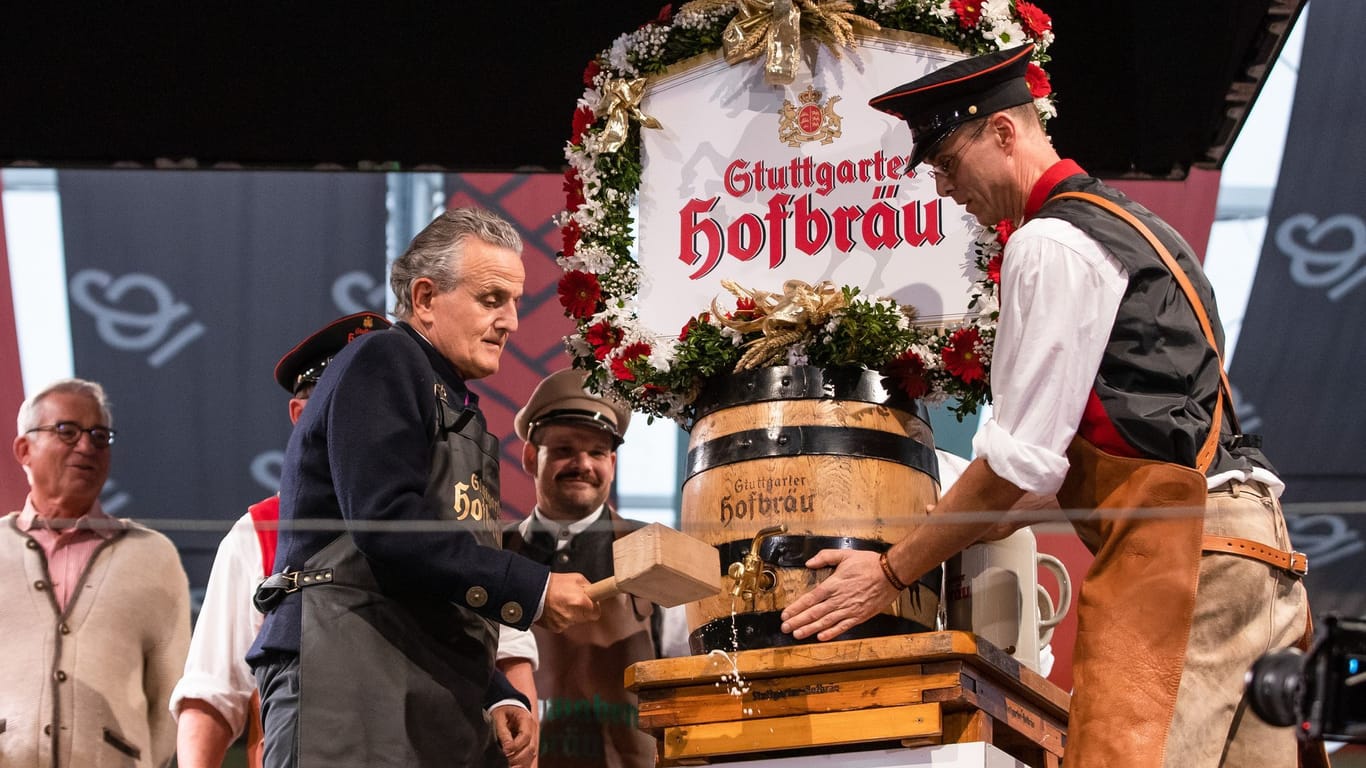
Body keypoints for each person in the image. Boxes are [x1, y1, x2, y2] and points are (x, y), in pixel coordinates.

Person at [780, 46, 1313, 767]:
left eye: (946, 164)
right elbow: (1062, 471)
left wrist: (891, 572)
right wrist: (921, 543)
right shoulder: (1141, 229)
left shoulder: (1050, 240)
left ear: (1003, 133)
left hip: (1190, 564)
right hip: (1261, 555)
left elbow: (1015, 462)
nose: (944, 188)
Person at [246, 207, 600, 768]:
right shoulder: (384, 357)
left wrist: (492, 691)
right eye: (491, 299)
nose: (511, 321)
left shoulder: (455, 403)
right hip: (344, 677)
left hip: (408, 689)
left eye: (515, 302)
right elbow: (389, 529)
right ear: (426, 298)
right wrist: (531, 590)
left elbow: (425, 582)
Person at [171, 311, 543, 768]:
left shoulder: (447, 532)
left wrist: (505, 699)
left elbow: (498, 651)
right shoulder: (258, 532)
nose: (367, 414)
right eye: (343, 396)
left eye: (390, 403)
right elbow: (211, 693)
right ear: (303, 415)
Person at [503, 369, 689, 768]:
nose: (582, 464)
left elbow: (686, 678)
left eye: (597, 452)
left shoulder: (657, 551)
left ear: (613, 462)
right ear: (531, 457)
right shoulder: (490, 554)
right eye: (565, 449)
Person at [2, 377, 191, 767]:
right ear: (24, 449)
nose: (86, 446)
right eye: (66, 432)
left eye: (99, 436)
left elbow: (173, 691)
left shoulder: (152, 555)